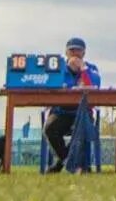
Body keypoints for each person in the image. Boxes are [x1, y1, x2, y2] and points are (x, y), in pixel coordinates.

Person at [43, 37, 104, 171]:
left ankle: (61, 163)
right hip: (61, 111)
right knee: (49, 128)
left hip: (82, 112)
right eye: (72, 51)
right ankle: (67, 161)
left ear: (84, 53)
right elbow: (53, 86)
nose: (75, 54)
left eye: (79, 51)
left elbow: (94, 86)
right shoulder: (58, 69)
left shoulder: (91, 68)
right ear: (66, 53)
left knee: (83, 128)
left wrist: (83, 69)